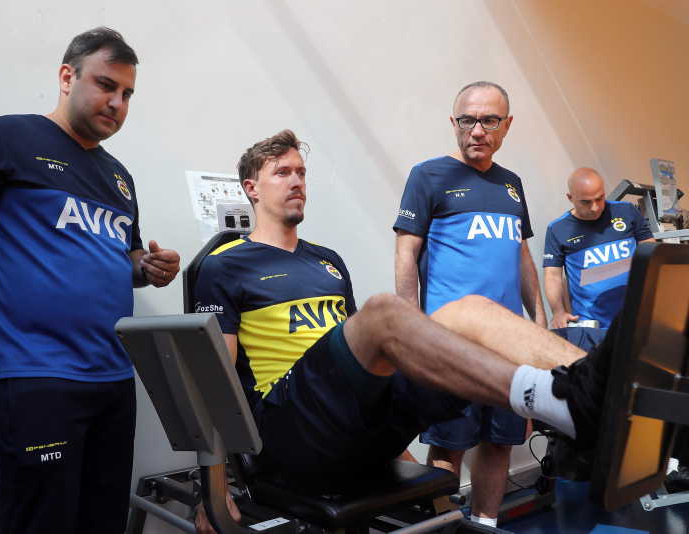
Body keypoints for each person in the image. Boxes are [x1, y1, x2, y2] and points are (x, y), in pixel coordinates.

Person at [193, 130, 608, 534]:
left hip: (351, 423)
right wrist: (213, 488)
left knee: (472, 310)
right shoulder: (224, 265)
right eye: (282, 173)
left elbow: (361, 362)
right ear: (251, 188)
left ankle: (601, 388)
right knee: (384, 311)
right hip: (290, 426)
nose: (297, 181)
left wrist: (398, 453)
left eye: (301, 172)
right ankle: (551, 398)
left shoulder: (328, 261)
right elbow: (213, 379)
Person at [0, 27, 180, 533]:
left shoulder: (120, 178)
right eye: (106, 85)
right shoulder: (4, 138)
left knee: (104, 524)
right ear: (67, 77)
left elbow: (125, 258)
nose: (117, 102)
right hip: (35, 374)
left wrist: (150, 268)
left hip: (114, 378)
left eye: (127, 93)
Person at [393, 81, 544, 526]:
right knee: (449, 445)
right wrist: (413, 330)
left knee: (500, 442)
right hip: (451, 344)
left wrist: (539, 322)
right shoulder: (428, 175)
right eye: (467, 120)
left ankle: (485, 526)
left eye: (489, 120)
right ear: (454, 123)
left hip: (509, 345)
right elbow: (406, 254)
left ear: (506, 125)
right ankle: (443, 528)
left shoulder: (511, 184)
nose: (477, 130)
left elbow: (521, 255)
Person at [543, 167, 654, 330]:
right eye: (585, 202)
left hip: (637, 316)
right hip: (591, 325)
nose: (594, 207)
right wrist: (558, 312)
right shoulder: (557, 229)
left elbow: (651, 253)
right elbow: (552, 276)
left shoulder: (626, 211)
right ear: (570, 198)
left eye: (599, 198)